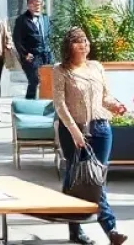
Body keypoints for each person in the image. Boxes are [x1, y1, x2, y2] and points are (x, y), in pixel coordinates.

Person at [53, 27, 128, 245]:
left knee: (94, 178)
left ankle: (81, 229)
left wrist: (116, 106)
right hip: (74, 130)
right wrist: (75, 132)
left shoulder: (96, 67)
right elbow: (60, 104)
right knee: (80, 178)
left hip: (101, 128)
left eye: (85, 41)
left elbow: (105, 97)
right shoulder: (61, 70)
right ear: (69, 46)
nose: (83, 45)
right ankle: (108, 228)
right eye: (77, 42)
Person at [14, 0, 53, 100]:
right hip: (32, 56)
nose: (38, 6)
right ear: (29, 5)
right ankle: (29, 104)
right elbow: (17, 40)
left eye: (39, 3)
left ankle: (46, 103)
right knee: (34, 80)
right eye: (35, 3)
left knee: (48, 80)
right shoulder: (21, 20)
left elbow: (50, 36)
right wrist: (24, 54)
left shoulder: (45, 18)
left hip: (46, 55)